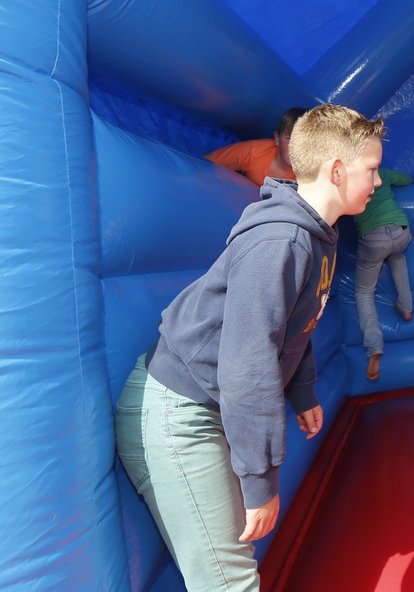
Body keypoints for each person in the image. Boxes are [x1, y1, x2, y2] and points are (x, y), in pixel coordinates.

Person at [115, 104, 386, 591]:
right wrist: (259, 481)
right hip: (181, 412)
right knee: (229, 582)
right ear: (337, 170)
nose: (379, 181)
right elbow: (247, 363)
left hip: (208, 405)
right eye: (372, 168)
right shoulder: (281, 241)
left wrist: (302, 391)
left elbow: (293, 325)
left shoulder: (317, 235)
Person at [353, 166, 414, 382]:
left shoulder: (351, 179)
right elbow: (406, 179)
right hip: (401, 229)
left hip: (374, 237)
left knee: (364, 293)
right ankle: (406, 306)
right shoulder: (382, 173)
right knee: (397, 257)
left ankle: (374, 347)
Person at [205, 106, 308, 186]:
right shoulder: (254, 151)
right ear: (277, 139)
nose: (296, 148)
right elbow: (205, 162)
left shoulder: (307, 179)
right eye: (289, 139)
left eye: (304, 143)